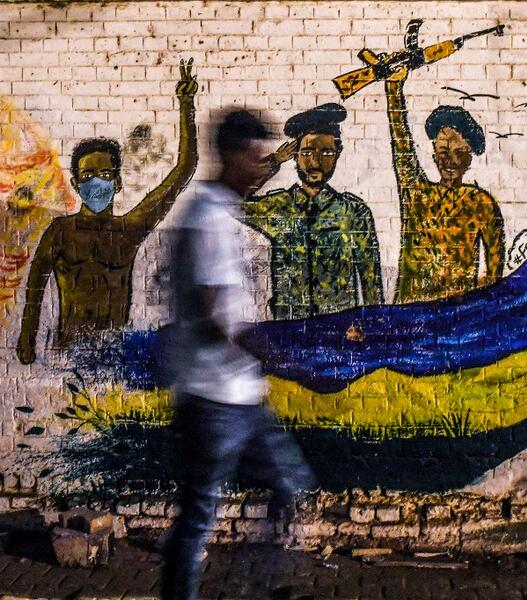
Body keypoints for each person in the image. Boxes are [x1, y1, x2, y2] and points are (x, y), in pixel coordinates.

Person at [161, 109, 316, 600]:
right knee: (201, 514)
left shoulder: (220, 212)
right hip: (214, 397)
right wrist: (269, 350)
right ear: (231, 156)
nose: (265, 167)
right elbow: (213, 314)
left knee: (290, 486)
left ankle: (260, 585)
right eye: (256, 158)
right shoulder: (207, 219)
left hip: (239, 392)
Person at [16, 59, 199, 364]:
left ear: (117, 181)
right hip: (69, 353)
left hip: (117, 351)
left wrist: (186, 105)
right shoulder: (62, 231)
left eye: (104, 173)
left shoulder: (129, 230)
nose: (96, 181)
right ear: (75, 183)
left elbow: (183, 170)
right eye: (88, 175)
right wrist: (27, 337)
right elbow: (35, 286)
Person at [243, 103, 383, 319]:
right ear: (295, 156)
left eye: (326, 152)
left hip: (340, 329)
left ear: (338, 154)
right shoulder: (279, 206)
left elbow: (371, 280)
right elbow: (234, 202)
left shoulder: (353, 212)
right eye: (307, 152)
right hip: (289, 328)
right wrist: (274, 161)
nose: (315, 161)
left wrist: (373, 327)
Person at [384, 66, 505, 303]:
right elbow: (401, 144)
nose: (450, 160)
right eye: (443, 151)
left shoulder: (481, 203)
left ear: (470, 158)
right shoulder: (417, 194)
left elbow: (494, 274)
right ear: (433, 155)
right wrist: (393, 88)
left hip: (457, 320)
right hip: (409, 316)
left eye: (460, 152)